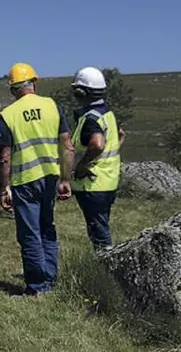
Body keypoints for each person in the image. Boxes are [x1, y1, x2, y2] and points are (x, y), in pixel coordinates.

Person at [0, 63, 75, 295]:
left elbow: (4, 157)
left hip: (24, 181)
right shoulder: (52, 105)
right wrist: (65, 179)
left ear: (13, 89)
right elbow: (68, 146)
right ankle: (50, 279)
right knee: (47, 228)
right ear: (35, 83)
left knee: (29, 233)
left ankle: (37, 286)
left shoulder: (8, 115)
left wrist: (4, 188)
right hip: (50, 177)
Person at [69, 66, 125, 251]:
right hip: (108, 181)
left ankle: (107, 270)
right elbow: (113, 140)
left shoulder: (91, 118)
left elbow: (98, 144)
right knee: (100, 226)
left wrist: (83, 164)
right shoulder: (107, 113)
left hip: (93, 184)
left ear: (81, 91)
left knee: (99, 233)